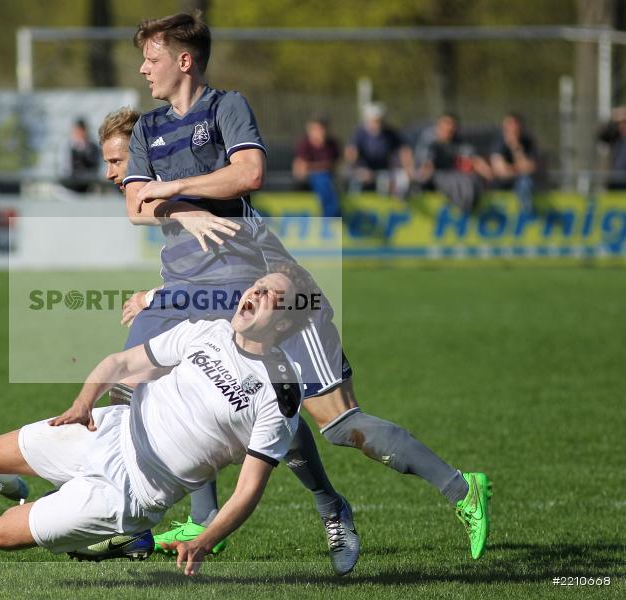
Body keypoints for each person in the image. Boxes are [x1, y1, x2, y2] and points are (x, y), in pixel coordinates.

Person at [110, 11, 492, 565]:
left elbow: (249, 174)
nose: (144, 68)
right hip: (206, 294)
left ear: (184, 61)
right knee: (181, 389)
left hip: (273, 288)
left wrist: (174, 190)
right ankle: (204, 522)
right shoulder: (147, 128)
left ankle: (457, 489)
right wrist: (188, 214)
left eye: (152, 57)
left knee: (337, 422)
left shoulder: (226, 107)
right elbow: (135, 204)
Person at [0, 267, 317, 577]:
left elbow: (249, 487)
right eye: (258, 283)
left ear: (283, 321)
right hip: (106, 430)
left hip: (130, 492)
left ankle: (115, 531)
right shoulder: (210, 331)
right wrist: (83, 402)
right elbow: (122, 364)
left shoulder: (281, 388)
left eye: (270, 294)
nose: (255, 290)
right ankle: (38, 493)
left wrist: (204, 539)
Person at [417, 113, 492, 214]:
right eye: (446, 128)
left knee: (470, 180)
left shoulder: (458, 141)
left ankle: (466, 208)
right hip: (436, 177)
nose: (449, 131)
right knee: (456, 182)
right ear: (438, 126)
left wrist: (489, 173)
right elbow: (426, 165)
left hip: (453, 174)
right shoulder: (430, 140)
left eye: (452, 129)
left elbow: (474, 160)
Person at [345, 102, 414, 198]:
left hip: (385, 171)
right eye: (373, 120)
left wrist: (409, 168)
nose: (376, 124)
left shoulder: (389, 132)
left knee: (400, 179)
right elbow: (351, 153)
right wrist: (358, 169)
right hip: (364, 170)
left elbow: (404, 149)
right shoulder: (359, 133)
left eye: (379, 120)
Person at [293, 115, 342, 216]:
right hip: (312, 180)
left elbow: (337, 165)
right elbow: (300, 170)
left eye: (321, 129)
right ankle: (331, 213)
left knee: (325, 179)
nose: (319, 132)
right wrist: (323, 166)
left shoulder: (332, 144)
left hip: (330, 178)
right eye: (316, 129)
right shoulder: (304, 144)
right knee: (322, 178)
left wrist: (314, 166)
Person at [490, 113, 537, 213]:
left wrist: (515, 147)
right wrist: (519, 168)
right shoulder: (498, 143)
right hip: (501, 184)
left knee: (525, 182)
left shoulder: (527, 142)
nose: (512, 129)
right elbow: (500, 171)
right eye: (509, 126)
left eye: (514, 126)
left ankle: (526, 213)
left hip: (520, 182)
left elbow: (530, 168)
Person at [62, 118, 102, 193]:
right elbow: (66, 168)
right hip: (71, 186)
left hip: (88, 186)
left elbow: (95, 165)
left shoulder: (93, 146)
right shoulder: (68, 146)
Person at [598, 106, 626, 190]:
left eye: (624, 122)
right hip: (616, 179)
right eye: (619, 123)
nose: (622, 126)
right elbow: (602, 136)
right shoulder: (616, 138)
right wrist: (613, 119)